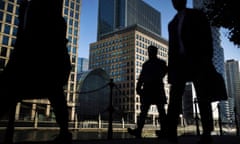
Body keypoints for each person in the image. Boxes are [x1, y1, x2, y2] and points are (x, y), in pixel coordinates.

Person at [0, 0, 72, 143]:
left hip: (45, 64)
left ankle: (64, 132)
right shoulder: (30, 9)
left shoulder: (50, 17)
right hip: (31, 62)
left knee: (54, 92)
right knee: (54, 93)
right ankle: (65, 132)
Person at [165, 0, 215, 143]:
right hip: (179, 65)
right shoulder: (172, 23)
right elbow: (172, 49)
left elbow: (207, 37)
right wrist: (171, 70)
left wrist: (207, 58)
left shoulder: (197, 15)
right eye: (173, 0)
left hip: (198, 61)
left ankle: (206, 133)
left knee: (203, 97)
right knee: (174, 99)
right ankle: (171, 133)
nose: (175, 2)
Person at [127, 45, 168, 138]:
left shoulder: (160, 63)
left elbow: (165, 71)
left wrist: (157, 77)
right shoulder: (147, 64)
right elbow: (141, 77)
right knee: (144, 111)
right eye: (149, 52)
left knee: (160, 111)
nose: (149, 53)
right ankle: (138, 131)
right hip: (149, 89)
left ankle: (164, 131)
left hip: (155, 89)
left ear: (154, 52)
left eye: (151, 51)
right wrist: (138, 87)